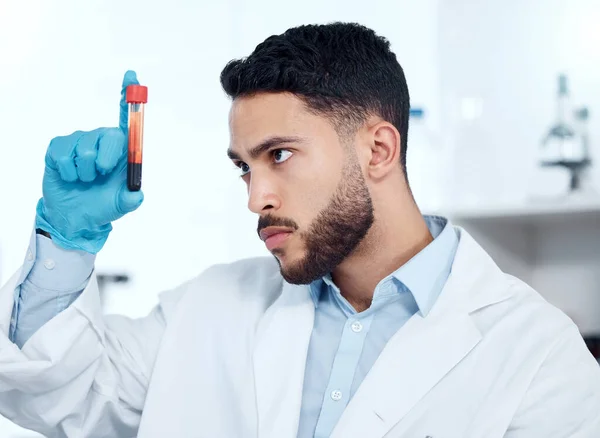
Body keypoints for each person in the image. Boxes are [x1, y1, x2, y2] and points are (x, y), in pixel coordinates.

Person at [0, 22, 599, 438]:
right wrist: (66, 242)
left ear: (379, 148)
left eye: (279, 155)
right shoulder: (210, 309)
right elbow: (62, 393)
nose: (256, 197)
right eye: (244, 167)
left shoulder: (537, 355)